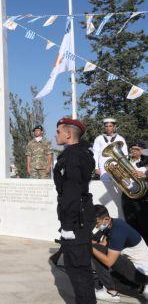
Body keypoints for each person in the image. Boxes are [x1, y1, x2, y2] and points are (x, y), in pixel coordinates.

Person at [53, 118, 96, 304]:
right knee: (81, 267)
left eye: (58, 131)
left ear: (68, 134)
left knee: (77, 269)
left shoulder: (72, 156)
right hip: (81, 214)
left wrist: (68, 225)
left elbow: (71, 191)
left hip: (75, 219)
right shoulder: (83, 153)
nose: (56, 135)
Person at [91, 205, 148, 302]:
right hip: (138, 269)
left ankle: (110, 292)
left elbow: (109, 261)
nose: (96, 226)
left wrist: (89, 247)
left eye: (97, 223)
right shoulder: (113, 223)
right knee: (109, 279)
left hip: (141, 273)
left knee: (96, 251)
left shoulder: (117, 232)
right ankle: (141, 287)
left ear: (106, 219)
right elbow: (104, 244)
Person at [92, 118, 128, 218]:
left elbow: (125, 154)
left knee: (119, 190)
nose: (108, 128)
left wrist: (121, 167)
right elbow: (95, 154)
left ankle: (120, 213)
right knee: (105, 190)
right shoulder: (99, 138)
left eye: (110, 126)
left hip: (117, 168)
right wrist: (96, 167)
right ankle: (108, 213)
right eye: (106, 126)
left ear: (114, 126)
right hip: (103, 170)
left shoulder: (120, 138)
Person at [122, 142, 148, 244]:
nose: (133, 151)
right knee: (130, 221)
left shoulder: (146, 162)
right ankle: (135, 243)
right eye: (132, 149)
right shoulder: (126, 161)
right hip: (127, 195)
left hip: (142, 195)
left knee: (144, 222)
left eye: (136, 149)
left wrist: (143, 176)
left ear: (141, 151)